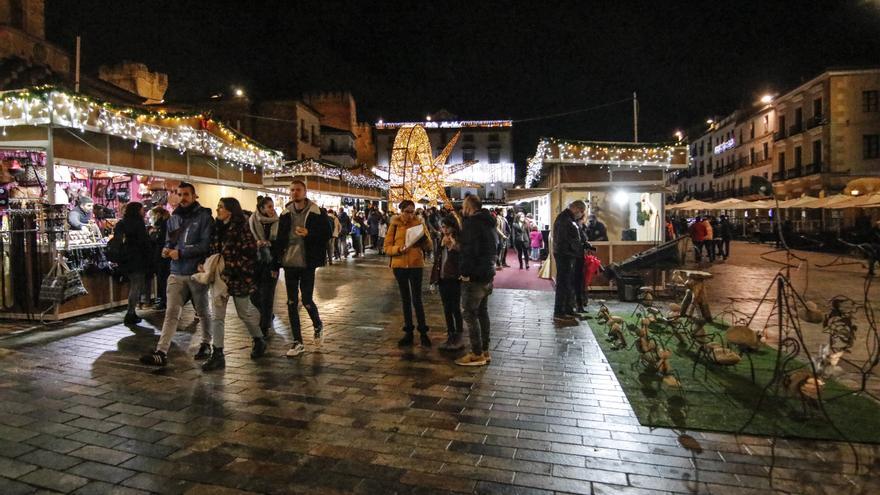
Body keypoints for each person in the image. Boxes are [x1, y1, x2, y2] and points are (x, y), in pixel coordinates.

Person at [141, 182, 214, 367]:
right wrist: (167, 250)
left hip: (195, 273)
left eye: (186, 194)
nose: (183, 198)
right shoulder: (173, 219)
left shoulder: (204, 217)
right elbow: (169, 241)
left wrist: (182, 253)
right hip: (176, 271)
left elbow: (205, 245)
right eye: (180, 194)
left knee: (203, 311)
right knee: (171, 312)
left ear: (194, 196)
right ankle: (161, 351)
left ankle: (206, 343)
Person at [201, 197, 267, 371]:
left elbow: (250, 253)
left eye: (221, 208)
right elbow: (211, 249)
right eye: (217, 207)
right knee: (217, 316)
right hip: (219, 277)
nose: (217, 210)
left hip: (238, 278)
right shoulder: (216, 228)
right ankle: (218, 354)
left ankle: (259, 339)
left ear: (230, 210)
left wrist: (232, 267)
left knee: (243, 313)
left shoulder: (242, 228)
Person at [272, 179, 331, 357]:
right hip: (289, 262)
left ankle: (317, 324)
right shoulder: (285, 213)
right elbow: (279, 240)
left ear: (305, 192)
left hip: (307, 262)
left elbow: (327, 234)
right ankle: (297, 342)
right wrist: (275, 263)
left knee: (306, 299)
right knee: (291, 302)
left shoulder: (316, 212)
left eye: (298, 190)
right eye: (292, 190)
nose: (294, 193)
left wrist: (309, 234)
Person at [384, 200, 433, 347]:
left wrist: (423, 242)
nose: (410, 215)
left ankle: (423, 332)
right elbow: (386, 247)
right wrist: (398, 249)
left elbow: (429, 244)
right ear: (401, 211)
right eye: (407, 211)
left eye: (412, 211)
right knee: (405, 299)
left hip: (416, 265)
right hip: (399, 266)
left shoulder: (419, 223)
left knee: (417, 299)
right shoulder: (394, 224)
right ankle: (408, 332)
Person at [455, 195, 497, 366]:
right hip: (487, 272)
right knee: (482, 312)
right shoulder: (489, 222)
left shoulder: (472, 223)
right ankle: (485, 350)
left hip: (475, 275)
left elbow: (470, 251)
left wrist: (465, 272)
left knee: (469, 313)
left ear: (469, 206)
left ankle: (476, 353)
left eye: (464, 206)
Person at [114, 201, 151, 326]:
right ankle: (130, 313)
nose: (143, 211)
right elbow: (144, 242)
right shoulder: (138, 223)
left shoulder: (121, 223)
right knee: (136, 286)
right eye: (142, 209)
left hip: (125, 258)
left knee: (133, 285)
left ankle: (131, 312)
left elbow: (117, 240)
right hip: (137, 258)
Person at [248, 196, 280, 338]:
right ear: (261, 209)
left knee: (267, 295)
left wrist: (269, 244)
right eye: (269, 207)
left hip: (271, 262)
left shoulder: (278, 222)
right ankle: (268, 314)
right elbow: (248, 241)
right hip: (255, 262)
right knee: (253, 295)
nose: (272, 210)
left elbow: (280, 244)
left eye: (273, 207)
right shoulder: (252, 221)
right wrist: (257, 244)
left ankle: (264, 327)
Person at [431, 215, 464, 351]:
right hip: (443, 277)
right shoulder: (441, 240)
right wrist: (433, 279)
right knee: (446, 308)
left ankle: (458, 336)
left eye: (446, 227)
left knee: (455, 307)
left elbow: (462, 255)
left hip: (454, 278)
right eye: (442, 227)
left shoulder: (458, 239)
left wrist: (452, 246)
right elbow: (438, 260)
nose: (444, 230)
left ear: (453, 226)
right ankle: (450, 335)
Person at [553, 200, 586, 323]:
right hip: (565, 255)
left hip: (567, 255)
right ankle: (560, 311)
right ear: (576, 208)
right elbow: (564, 240)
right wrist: (575, 248)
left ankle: (567, 309)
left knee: (567, 284)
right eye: (581, 211)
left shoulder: (568, 219)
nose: (582, 214)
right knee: (563, 283)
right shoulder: (565, 220)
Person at [148, 206, 171, 310]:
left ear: (158, 214)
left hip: (162, 256)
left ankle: (164, 301)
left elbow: (159, 239)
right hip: (162, 255)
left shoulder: (163, 224)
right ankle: (163, 300)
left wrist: (152, 233)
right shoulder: (164, 223)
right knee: (163, 279)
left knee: (163, 279)